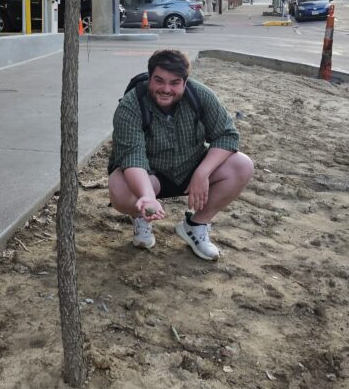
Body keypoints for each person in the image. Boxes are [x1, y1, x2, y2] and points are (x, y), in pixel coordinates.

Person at [108, 49, 254, 261]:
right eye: (159, 81)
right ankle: (142, 216)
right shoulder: (131, 105)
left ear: (185, 82)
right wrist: (147, 197)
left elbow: (227, 135)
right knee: (118, 187)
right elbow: (133, 157)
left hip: (191, 169)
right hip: (150, 175)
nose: (166, 89)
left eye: (174, 83)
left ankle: (195, 225)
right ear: (150, 78)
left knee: (242, 165)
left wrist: (202, 173)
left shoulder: (201, 95)